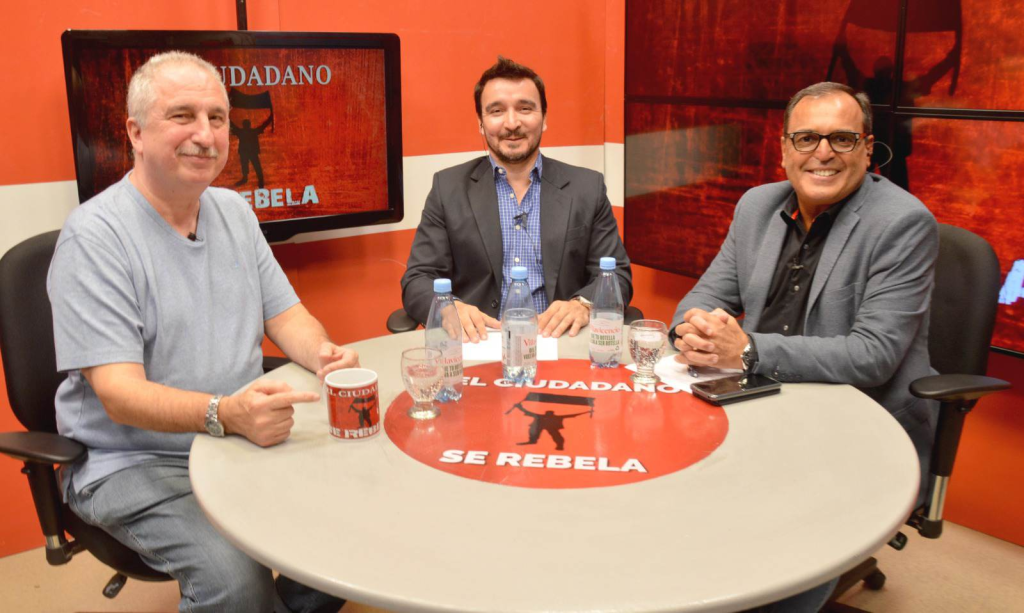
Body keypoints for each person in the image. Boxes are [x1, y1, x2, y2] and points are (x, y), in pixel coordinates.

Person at [47, 51, 350, 613]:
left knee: (351, 516)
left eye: (217, 118)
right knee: (234, 580)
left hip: (234, 438)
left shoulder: (233, 210)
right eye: (182, 116)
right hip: (131, 459)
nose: (205, 135)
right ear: (136, 133)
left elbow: (286, 316)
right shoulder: (95, 238)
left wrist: (324, 354)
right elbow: (119, 394)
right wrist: (225, 414)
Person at [672, 82, 939, 611]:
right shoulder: (756, 205)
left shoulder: (903, 223)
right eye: (806, 138)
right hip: (760, 402)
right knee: (678, 497)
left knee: (789, 563)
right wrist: (694, 329)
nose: (822, 153)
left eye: (841, 139)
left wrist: (747, 351)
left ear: (867, 148)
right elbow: (700, 299)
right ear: (783, 148)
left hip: (857, 421)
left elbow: (873, 356)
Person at [401, 56, 632, 341]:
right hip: (479, 342)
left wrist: (583, 304)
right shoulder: (448, 188)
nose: (512, 123)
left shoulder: (587, 187)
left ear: (544, 118)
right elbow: (417, 279)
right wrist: (449, 307)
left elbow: (616, 276)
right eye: (496, 111)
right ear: (481, 123)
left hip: (561, 341)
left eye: (525, 108)